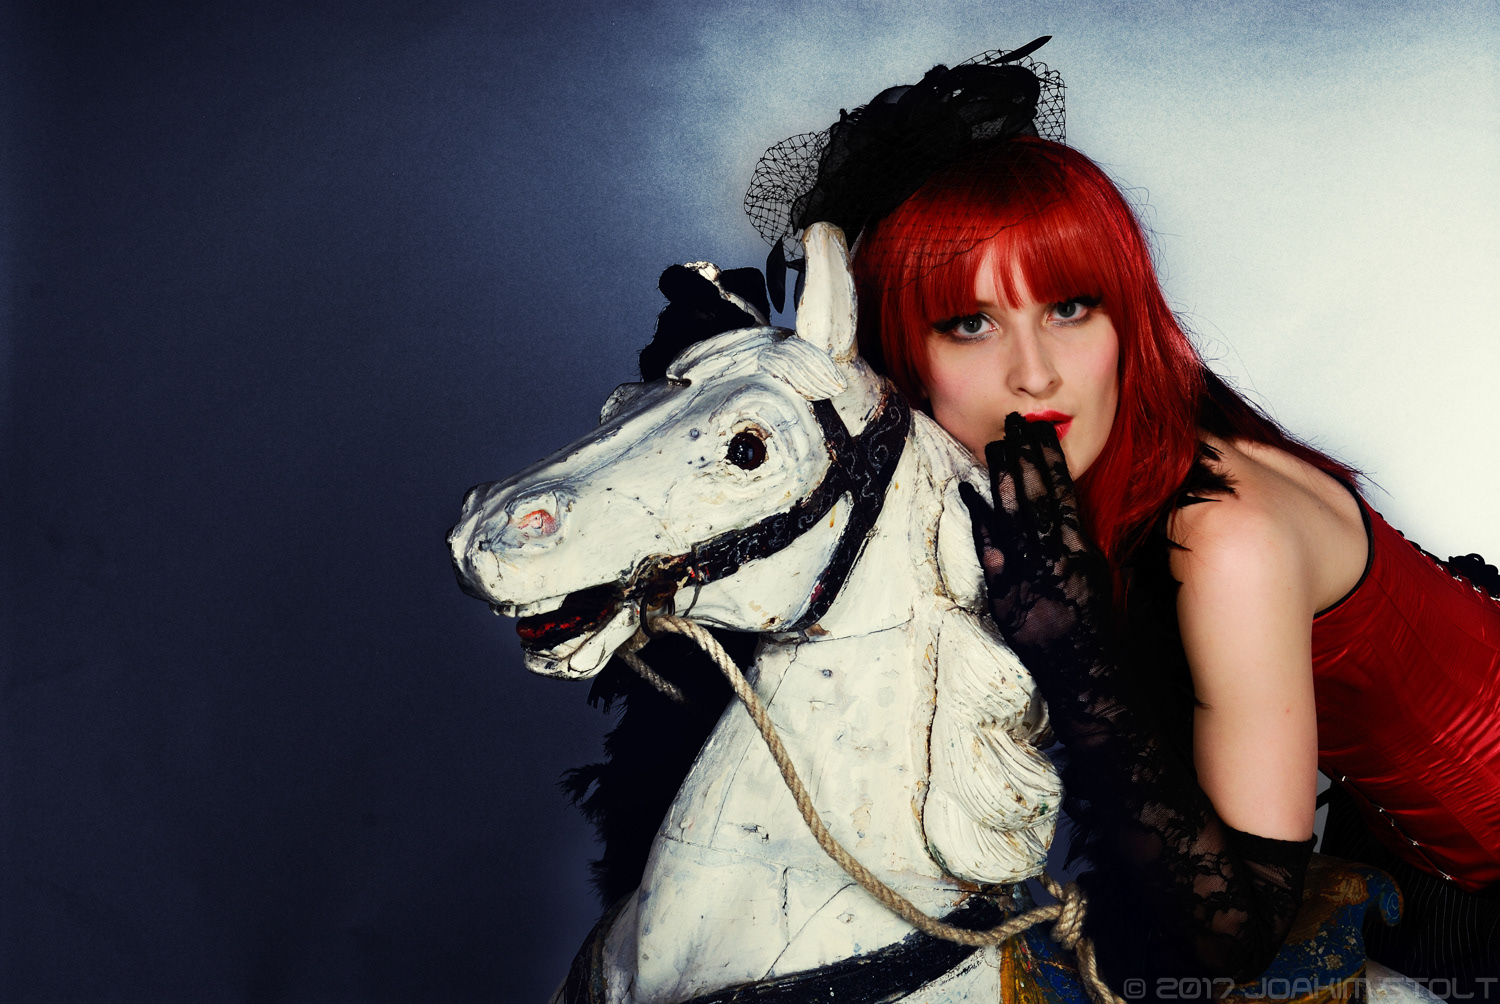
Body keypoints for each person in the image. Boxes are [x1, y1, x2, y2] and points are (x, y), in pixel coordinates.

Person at [742, 38, 1500, 995]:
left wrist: (1074, 649)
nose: (1035, 375)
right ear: (903, 354)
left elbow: (1233, 942)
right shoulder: (1069, 481)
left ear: (1125, 318)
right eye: (970, 323)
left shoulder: (1224, 535)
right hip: (1401, 834)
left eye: (1069, 307)